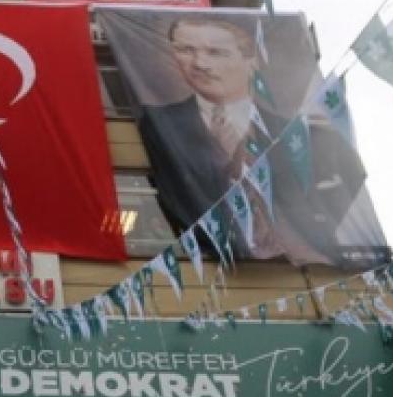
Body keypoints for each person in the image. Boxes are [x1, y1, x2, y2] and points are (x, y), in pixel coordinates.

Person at [137, 15, 372, 266]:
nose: (200, 64)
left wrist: (317, 225)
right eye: (186, 50)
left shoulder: (296, 131)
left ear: (251, 61)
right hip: (209, 262)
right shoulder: (158, 123)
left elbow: (351, 174)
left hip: (301, 263)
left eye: (216, 53)